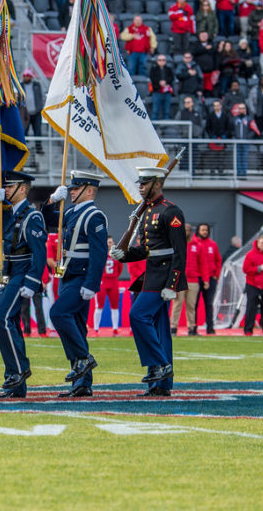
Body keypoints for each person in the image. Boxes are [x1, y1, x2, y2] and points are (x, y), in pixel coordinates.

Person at [110, 167, 187, 397]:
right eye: (140, 184)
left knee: (138, 315)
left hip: (163, 277)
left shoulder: (170, 212)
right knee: (160, 328)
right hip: (151, 273)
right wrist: (124, 255)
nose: (140, 187)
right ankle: (161, 384)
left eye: (144, 184)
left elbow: (179, 253)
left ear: (157, 184)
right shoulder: (146, 212)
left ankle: (160, 364)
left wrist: (172, 285)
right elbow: (145, 250)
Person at [0, 170, 45, 398]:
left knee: (2, 318)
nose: (5, 190)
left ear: (23, 189)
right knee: (12, 323)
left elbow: (39, 253)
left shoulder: (32, 216)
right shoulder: (7, 213)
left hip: (22, 272)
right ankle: (16, 384)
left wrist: (33, 281)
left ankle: (19, 369)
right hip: (7, 273)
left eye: (10, 187)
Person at [42, 171, 108, 397]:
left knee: (58, 314)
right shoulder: (70, 212)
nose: (71, 191)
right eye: (71, 188)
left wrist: (92, 283)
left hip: (81, 276)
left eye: (75, 188)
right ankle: (81, 384)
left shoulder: (94, 216)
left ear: (89, 191)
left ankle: (83, 358)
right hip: (68, 275)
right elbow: (48, 220)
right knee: (78, 328)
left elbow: (100, 253)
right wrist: (51, 200)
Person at [170, 224, 200, 336]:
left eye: (188, 230)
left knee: (191, 306)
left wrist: (205, 279)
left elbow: (202, 263)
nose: (187, 232)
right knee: (177, 304)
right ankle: (173, 328)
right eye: (185, 230)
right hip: (179, 279)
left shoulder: (196, 245)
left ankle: (192, 328)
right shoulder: (176, 244)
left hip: (193, 280)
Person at [194, 223, 221, 335]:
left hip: (210, 278)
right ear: (198, 231)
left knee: (209, 304)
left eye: (206, 230)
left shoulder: (212, 244)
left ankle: (210, 327)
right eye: (202, 230)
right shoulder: (193, 243)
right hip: (197, 278)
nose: (204, 232)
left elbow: (218, 260)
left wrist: (216, 275)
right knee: (193, 304)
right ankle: (193, 328)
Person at [96, 236, 123, 336]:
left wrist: (114, 277)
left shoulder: (115, 255)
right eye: (107, 242)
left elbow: (120, 269)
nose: (109, 244)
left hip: (113, 281)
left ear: (113, 243)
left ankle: (115, 329)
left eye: (110, 242)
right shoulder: (100, 253)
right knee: (99, 306)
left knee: (115, 306)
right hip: (103, 282)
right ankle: (95, 329)